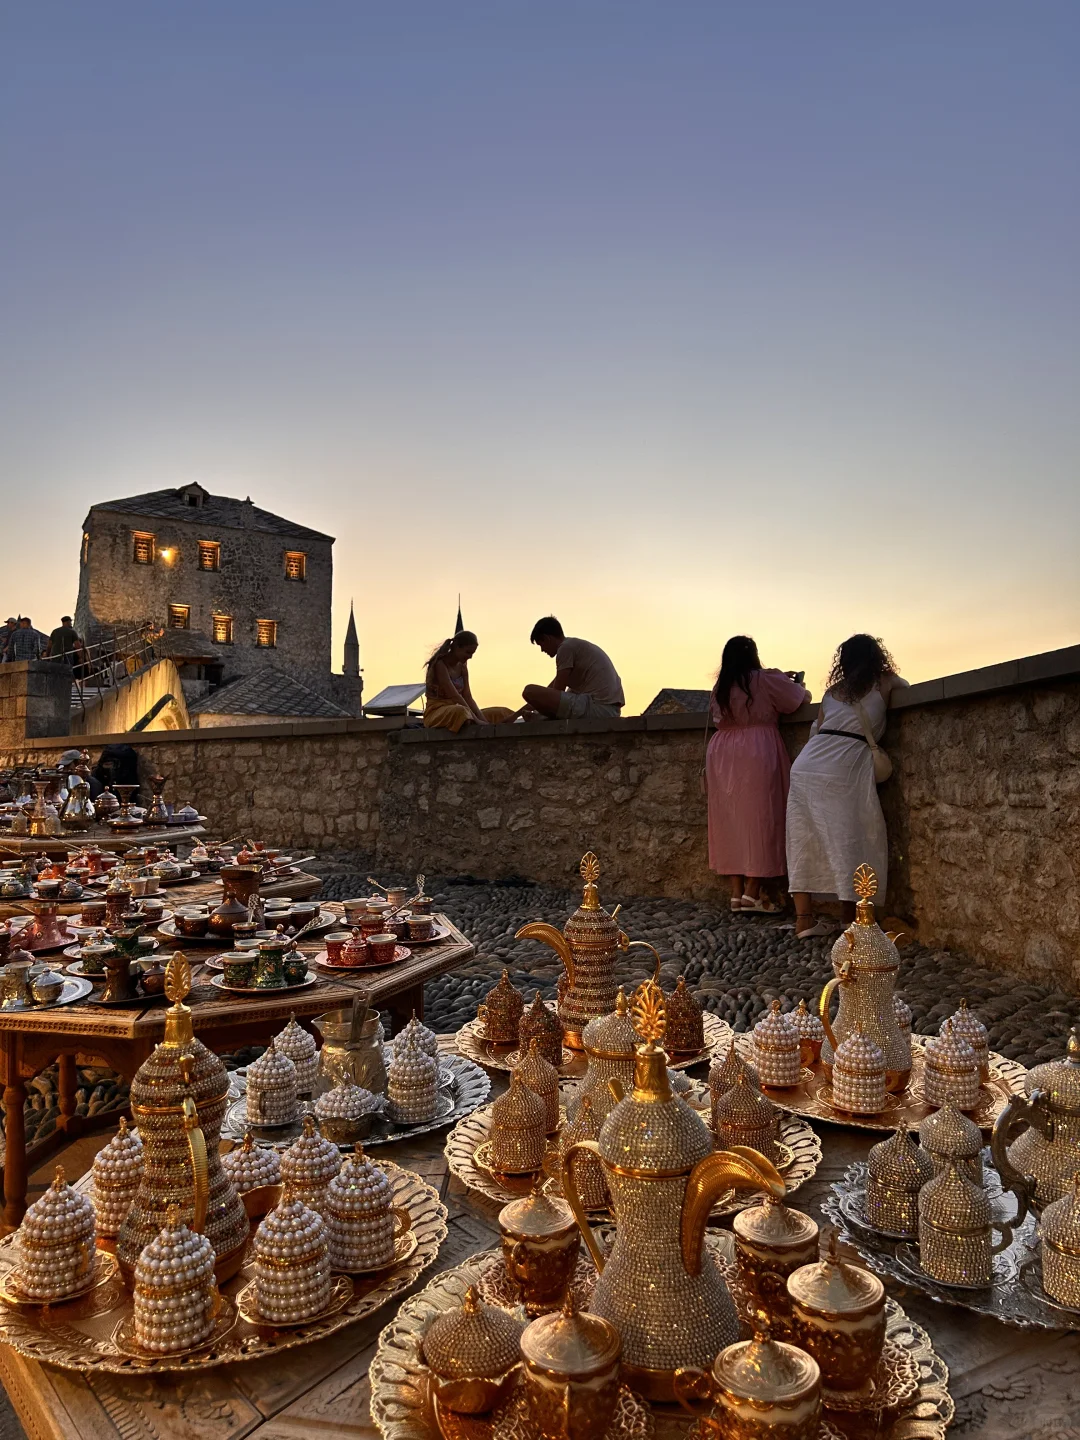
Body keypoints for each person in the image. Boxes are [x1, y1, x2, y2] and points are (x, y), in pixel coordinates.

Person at [785, 634, 909, 937]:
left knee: (803, 840)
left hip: (806, 764)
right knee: (850, 839)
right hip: (844, 764)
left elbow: (818, 727)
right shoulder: (885, 683)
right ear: (878, 657)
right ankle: (849, 918)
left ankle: (804, 920)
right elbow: (909, 690)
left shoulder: (831, 692)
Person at [706, 637, 810, 912]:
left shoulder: (721, 686)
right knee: (762, 818)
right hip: (757, 749)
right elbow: (798, 701)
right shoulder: (766, 679)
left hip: (723, 752)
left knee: (731, 823)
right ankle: (752, 891)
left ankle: (736, 893)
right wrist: (796, 685)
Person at [521, 617, 625, 720]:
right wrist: (515, 715)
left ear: (547, 638)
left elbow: (554, 694)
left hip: (598, 709)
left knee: (529, 691)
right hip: (609, 710)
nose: (542, 650)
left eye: (541, 645)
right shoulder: (573, 647)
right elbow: (548, 692)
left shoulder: (565, 648)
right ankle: (542, 717)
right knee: (567, 693)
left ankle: (544, 718)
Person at [423, 632, 515, 732]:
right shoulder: (440, 664)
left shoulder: (462, 666)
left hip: (460, 708)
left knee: (501, 712)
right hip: (437, 712)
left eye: (472, 653)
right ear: (457, 647)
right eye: (468, 652)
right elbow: (455, 696)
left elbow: (467, 696)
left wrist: (483, 721)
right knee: (462, 712)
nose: (470, 657)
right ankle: (470, 720)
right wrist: (477, 721)